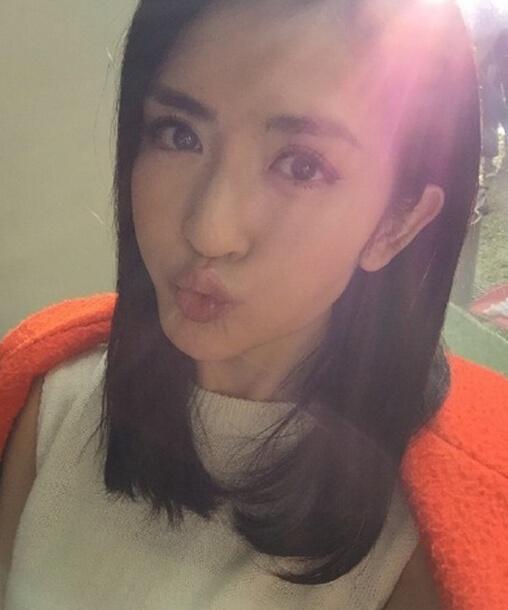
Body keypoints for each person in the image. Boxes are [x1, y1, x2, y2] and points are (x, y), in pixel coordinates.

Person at [1, 0, 507, 608]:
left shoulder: (425, 547)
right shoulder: (53, 397)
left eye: (302, 166)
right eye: (179, 134)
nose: (209, 231)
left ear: (395, 224)